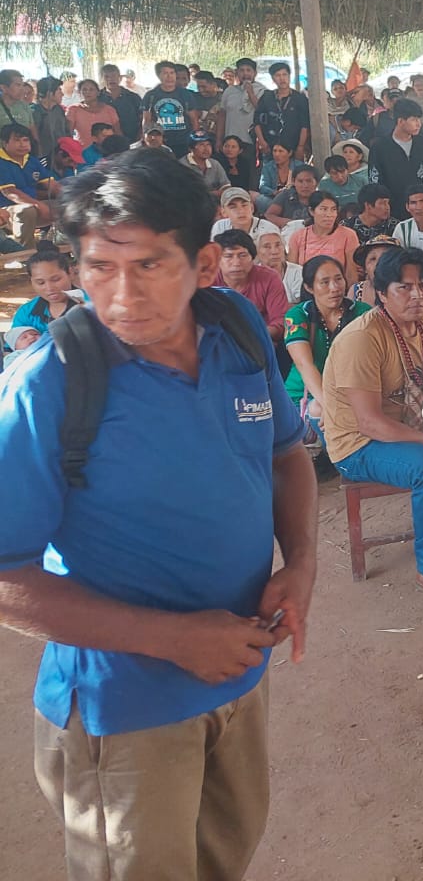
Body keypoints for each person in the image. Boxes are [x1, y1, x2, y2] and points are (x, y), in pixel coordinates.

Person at [0, 148, 315, 881]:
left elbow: (283, 453)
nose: (121, 295)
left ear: (202, 264)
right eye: (98, 268)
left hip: (237, 675)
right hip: (124, 710)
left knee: (223, 860)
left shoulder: (237, 327)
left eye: (147, 265)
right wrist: (173, 639)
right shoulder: (51, 385)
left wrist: (301, 562)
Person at [319, 247, 423, 600]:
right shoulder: (362, 338)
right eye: (404, 287)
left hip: (408, 427)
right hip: (358, 444)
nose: (417, 295)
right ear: (381, 293)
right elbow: (369, 423)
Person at [284, 255, 369, 428]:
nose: (334, 288)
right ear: (309, 287)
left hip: (350, 394)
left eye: (338, 279)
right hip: (304, 396)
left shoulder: (363, 314)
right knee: (318, 409)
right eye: (324, 282)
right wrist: (329, 406)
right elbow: (304, 364)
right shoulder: (298, 315)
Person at [214, 230, 289, 342]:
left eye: (242, 255)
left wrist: (251, 338)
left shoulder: (269, 278)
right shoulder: (208, 280)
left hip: (259, 341)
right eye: (228, 256)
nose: (236, 263)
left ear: (253, 258)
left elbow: (280, 320)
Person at [368, 97, 423, 201]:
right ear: (401, 121)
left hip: (422, 206)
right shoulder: (379, 148)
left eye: (419, 119)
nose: (419, 124)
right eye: (414, 120)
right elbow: (375, 181)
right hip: (392, 207)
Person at [289, 190, 359, 281]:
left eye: (333, 209)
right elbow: (292, 272)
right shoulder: (298, 236)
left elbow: (351, 273)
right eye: (323, 209)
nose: (329, 215)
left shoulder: (348, 235)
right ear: (311, 211)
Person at [1, 122, 52, 247]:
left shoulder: (32, 161)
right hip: (6, 211)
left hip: (33, 206)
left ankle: (57, 244)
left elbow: (53, 185)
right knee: (27, 211)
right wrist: (38, 204)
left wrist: (73, 196)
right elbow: (10, 192)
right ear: (4, 143)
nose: (22, 144)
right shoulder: (1, 162)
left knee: (68, 205)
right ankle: (25, 252)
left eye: (25, 140)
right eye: (17, 140)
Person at [10, 249, 81, 332]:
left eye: (55, 279)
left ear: (70, 273)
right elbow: (15, 339)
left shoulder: (90, 304)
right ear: (31, 281)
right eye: (40, 282)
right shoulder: (27, 313)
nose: (49, 288)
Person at [252, 63, 310, 162]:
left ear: (289, 76)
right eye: (278, 75)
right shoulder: (267, 97)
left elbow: (304, 125)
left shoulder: (299, 98)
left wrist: (300, 147)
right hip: (270, 146)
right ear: (273, 78)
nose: (282, 78)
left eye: (284, 74)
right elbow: (257, 121)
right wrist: (262, 142)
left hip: (293, 147)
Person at [218, 58, 261, 145]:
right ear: (237, 73)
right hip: (230, 142)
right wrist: (219, 139)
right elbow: (222, 116)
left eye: (248, 70)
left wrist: (250, 93)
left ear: (255, 73)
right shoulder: (229, 91)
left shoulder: (262, 91)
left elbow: (261, 109)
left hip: (252, 142)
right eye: (242, 70)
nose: (245, 74)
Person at [265, 163, 320, 229]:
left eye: (309, 181)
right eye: (300, 181)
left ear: (317, 183)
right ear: (293, 182)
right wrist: (291, 223)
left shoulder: (323, 199)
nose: (305, 185)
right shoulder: (285, 195)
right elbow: (268, 216)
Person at [98, 64, 145, 142]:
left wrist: (140, 135)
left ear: (120, 77)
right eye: (106, 76)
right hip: (105, 142)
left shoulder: (133, 97)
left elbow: (143, 118)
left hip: (132, 140)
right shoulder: (97, 98)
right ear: (102, 79)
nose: (111, 79)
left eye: (114, 76)